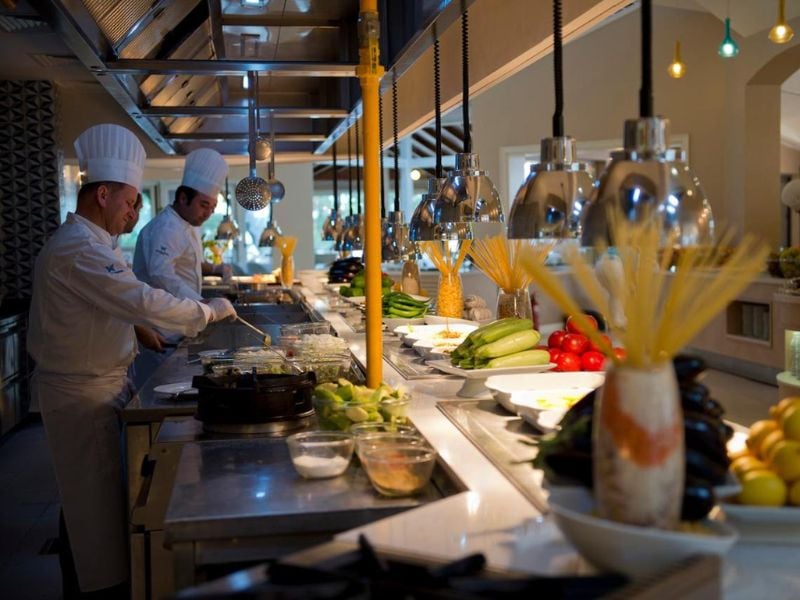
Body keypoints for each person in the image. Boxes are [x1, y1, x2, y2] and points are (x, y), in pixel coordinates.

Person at [27, 123, 237, 598]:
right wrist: (206, 313)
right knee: (91, 516)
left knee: (90, 508)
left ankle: (90, 581)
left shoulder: (95, 243)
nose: (133, 211)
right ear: (102, 194)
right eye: (128, 202)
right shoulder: (78, 247)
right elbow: (143, 295)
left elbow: (113, 303)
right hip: (82, 394)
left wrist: (135, 327)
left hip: (100, 382)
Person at [133, 147, 232, 303]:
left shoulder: (189, 223)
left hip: (181, 312)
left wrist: (215, 269)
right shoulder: (166, 227)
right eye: (204, 205)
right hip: (162, 316)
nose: (208, 213)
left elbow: (189, 263)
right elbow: (161, 274)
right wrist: (200, 302)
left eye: (212, 208)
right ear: (183, 198)